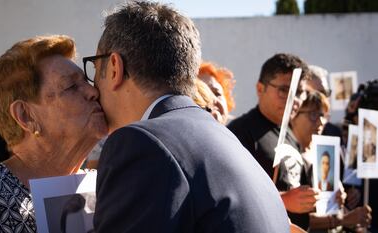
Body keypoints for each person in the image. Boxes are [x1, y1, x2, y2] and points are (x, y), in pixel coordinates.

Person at [89, 2, 289, 232]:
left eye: (94, 69)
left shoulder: (142, 143)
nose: (92, 88)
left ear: (114, 68)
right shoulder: (222, 135)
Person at [0, 35, 107, 232]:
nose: (93, 91)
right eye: (71, 86)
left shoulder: (103, 186)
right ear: (26, 116)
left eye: (86, 80)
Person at [227, 53, 319, 230]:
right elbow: (234, 193)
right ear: (260, 89)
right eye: (284, 90)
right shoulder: (240, 132)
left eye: (299, 92)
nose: (294, 99)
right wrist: (283, 200)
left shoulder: (291, 135)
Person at [290, 90, 372, 232]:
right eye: (313, 114)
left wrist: (342, 202)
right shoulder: (288, 157)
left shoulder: (324, 151)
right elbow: (295, 219)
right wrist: (344, 220)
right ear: (294, 115)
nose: (320, 122)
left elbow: (333, 206)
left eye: (323, 115)